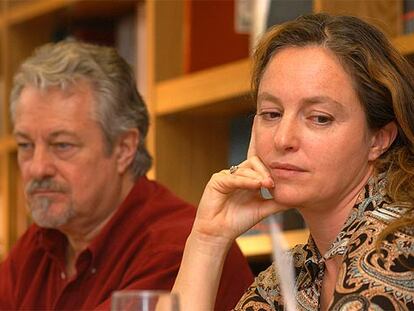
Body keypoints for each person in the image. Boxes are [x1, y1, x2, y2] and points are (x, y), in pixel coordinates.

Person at [171, 13, 414, 311]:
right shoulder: (298, 271)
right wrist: (207, 240)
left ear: (379, 139)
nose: (283, 139)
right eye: (271, 114)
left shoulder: (401, 248)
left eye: (319, 118)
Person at [0, 40, 254, 310]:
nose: (37, 168)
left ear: (123, 149)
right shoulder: (39, 243)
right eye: (26, 145)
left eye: (62, 145)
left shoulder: (176, 248)